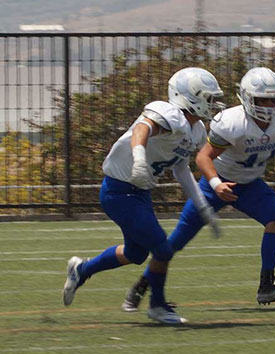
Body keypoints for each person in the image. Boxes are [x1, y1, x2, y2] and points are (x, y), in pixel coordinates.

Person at [121, 67, 275, 320]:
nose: (270, 106)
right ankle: (143, 283)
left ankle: (266, 285)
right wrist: (216, 184)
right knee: (175, 242)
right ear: (248, 99)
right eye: (263, 100)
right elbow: (203, 156)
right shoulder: (231, 122)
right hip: (215, 183)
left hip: (249, 183)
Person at [62, 67, 224, 324]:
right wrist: (138, 160)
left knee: (136, 254)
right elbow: (142, 128)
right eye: (208, 97)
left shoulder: (196, 130)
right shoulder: (171, 113)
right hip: (119, 190)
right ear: (188, 97)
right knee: (163, 248)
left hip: (140, 192)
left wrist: (202, 205)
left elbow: (180, 168)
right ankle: (157, 306)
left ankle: (82, 270)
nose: (212, 104)